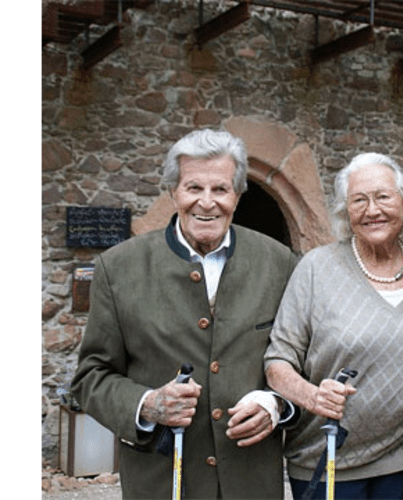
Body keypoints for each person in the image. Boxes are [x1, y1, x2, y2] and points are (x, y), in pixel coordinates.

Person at [71, 129, 299, 499]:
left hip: (250, 482)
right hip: (161, 482)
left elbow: (301, 364)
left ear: (238, 196)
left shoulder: (280, 264)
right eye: (194, 188)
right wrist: (146, 404)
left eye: (220, 190)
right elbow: (91, 376)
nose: (206, 203)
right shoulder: (118, 268)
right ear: (172, 192)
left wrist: (276, 404)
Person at [264, 152, 403, 499]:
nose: (372, 210)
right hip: (325, 456)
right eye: (359, 200)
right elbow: (277, 362)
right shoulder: (316, 269)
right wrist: (314, 395)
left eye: (383, 197)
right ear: (345, 212)